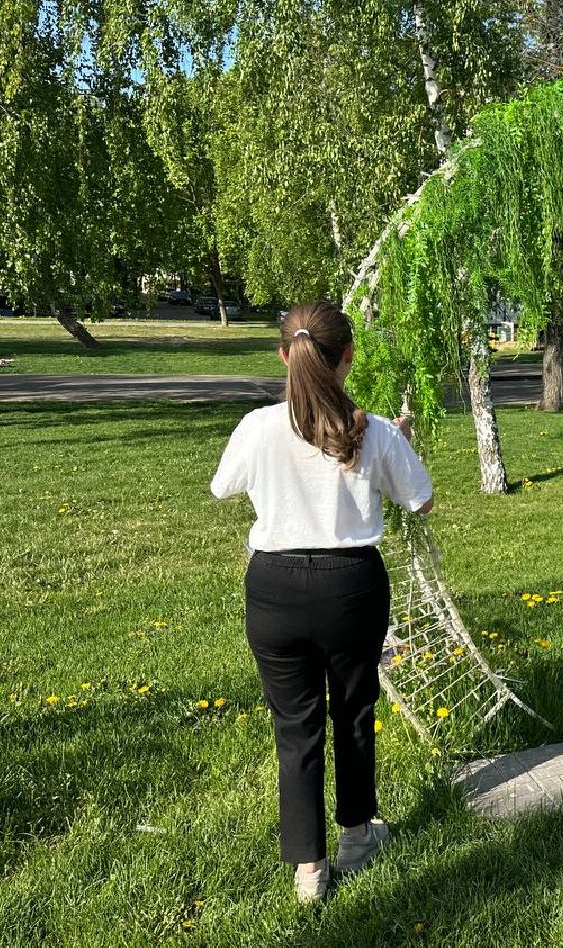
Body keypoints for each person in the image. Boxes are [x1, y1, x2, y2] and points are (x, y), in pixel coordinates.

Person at [210, 302, 434, 903]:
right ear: (348, 356)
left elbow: (223, 487)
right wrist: (396, 444)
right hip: (351, 587)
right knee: (354, 712)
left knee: (295, 727)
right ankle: (357, 836)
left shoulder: (257, 427)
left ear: (284, 355)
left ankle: (309, 869)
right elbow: (421, 501)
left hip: (275, 588)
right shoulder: (374, 430)